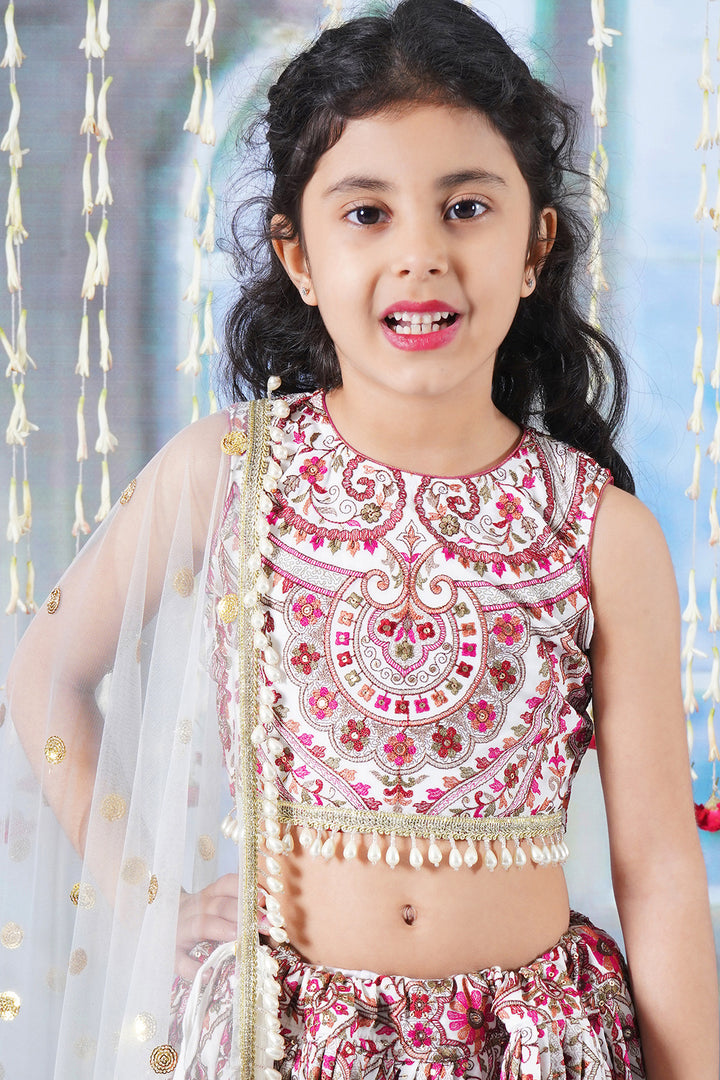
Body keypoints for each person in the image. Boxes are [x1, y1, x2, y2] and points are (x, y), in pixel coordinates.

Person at [1, 1, 718, 1077]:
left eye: (466, 207)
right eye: (367, 213)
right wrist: (148, 902)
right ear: (297, 254)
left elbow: (657, 868)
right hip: (283, 1042)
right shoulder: (226, 473)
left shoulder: (600, 530)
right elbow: (47, 676)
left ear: (536, 244)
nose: (421, 255)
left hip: (534, 1047)